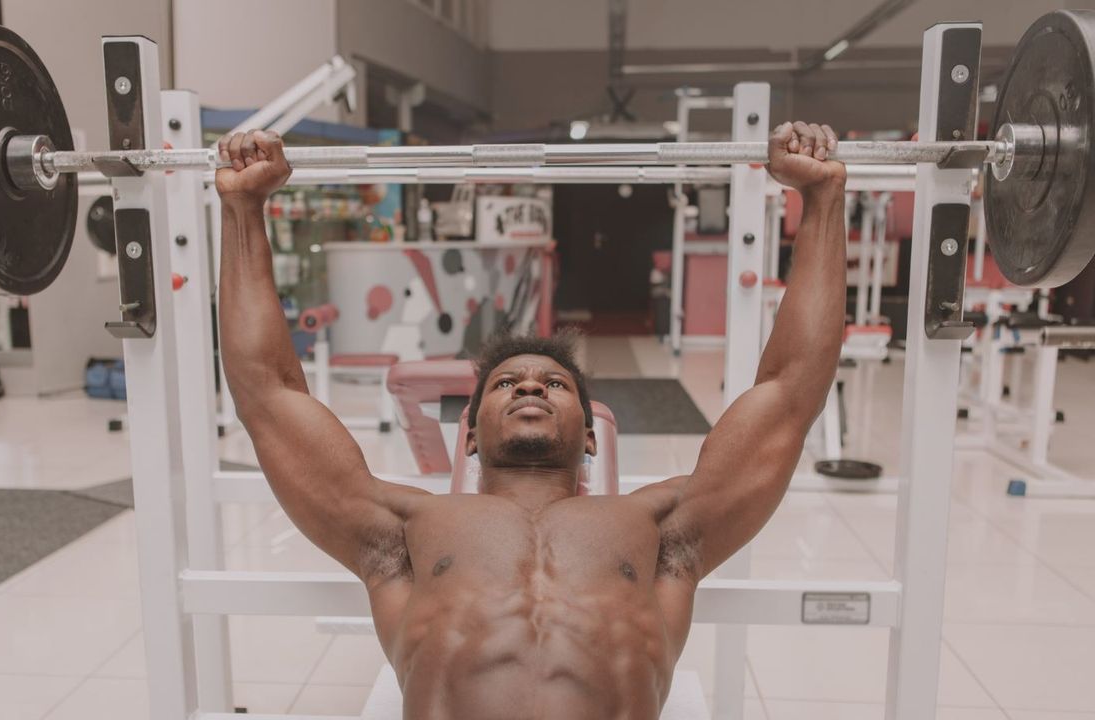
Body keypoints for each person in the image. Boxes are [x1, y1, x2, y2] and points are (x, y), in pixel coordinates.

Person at [215, 121, 846, 720]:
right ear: (468, 432)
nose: (530, 385)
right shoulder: (401, 532)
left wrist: (822, 199)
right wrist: (243, 210)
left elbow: (790, 391)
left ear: (591, 432)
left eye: (555, 383)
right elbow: (268, 393)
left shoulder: (663, 531)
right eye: (505, 382)